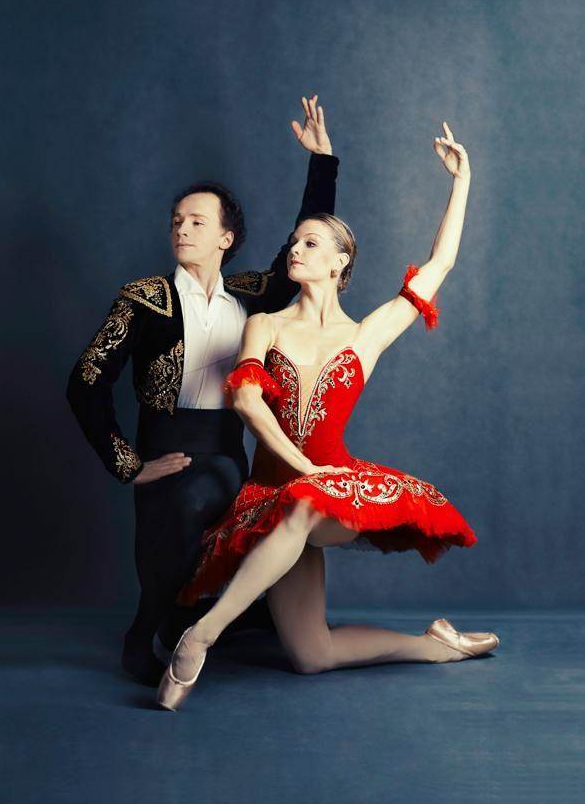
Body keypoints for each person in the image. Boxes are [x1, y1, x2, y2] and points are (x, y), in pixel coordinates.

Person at [156, 120, 500, 711]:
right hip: (275, 493)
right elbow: (246, 402)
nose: (295, 249)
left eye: (311, 243)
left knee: (309, 502)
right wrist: (303, 469)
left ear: (341, 262)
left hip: (333, 491)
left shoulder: (365, 336)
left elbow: (439, 264)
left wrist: (462, 181)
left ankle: (200, 637)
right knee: (311, 655)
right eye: (294, 242)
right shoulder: (264, 324)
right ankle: (436, 646)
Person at [66, 95, 341, 686]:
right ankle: (154, 630)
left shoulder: (249, 293)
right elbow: (85, 382)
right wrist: (127, 464)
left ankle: (185, 623)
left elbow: (306, 243)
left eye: (196, 222)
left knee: (220, 505)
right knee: (180, 517)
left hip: (225, 446)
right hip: (165, 447)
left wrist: (322, 163)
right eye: (176, 221)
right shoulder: (145, 297)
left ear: (226, 237)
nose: (182, 229)